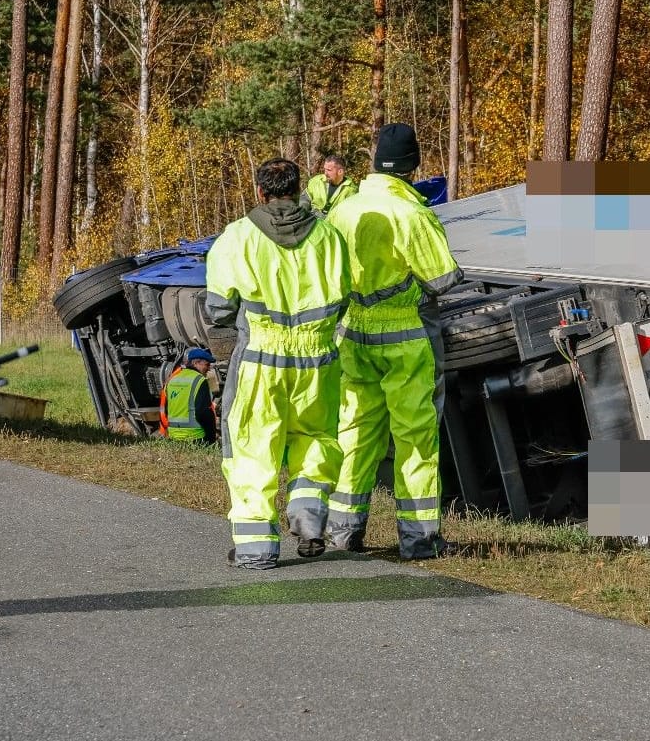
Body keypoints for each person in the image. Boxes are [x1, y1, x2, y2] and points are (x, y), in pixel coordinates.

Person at [324, 123, 462, 558]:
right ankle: (419, 539)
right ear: (412, 165)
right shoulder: (413, 214)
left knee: (355, 431)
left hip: (352, 334)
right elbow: (443, 278)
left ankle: (343, 531)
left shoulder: (343, 209)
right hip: (404, 337)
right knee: (415, 437)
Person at [205, 158, 352, 567]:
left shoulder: (237, 237)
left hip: (260, 360)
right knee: (317, 437)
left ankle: (256, 549)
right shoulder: (328, 235)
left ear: (259, 193)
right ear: (296, 188)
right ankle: (308, 518)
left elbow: (218, 309)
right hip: (318, 359)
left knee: (253, 447)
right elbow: (343, 297)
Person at [159, 346, 218, 444]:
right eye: (207, 365)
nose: (208, 369)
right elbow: (203, 412)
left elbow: (165, 408)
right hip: (195, 436)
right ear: (195, 363)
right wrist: (211, 438)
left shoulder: (173, 379)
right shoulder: (199, 380)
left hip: (174, 436)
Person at [303, 152, 356, 216]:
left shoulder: (351, 190)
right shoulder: (316, 181)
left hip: (333, 223)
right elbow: (304, 199)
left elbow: (348, 214)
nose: (325, 173)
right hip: (311, 220)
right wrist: (303, 214)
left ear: (340, 172)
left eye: (329, 170)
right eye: (325, 169)